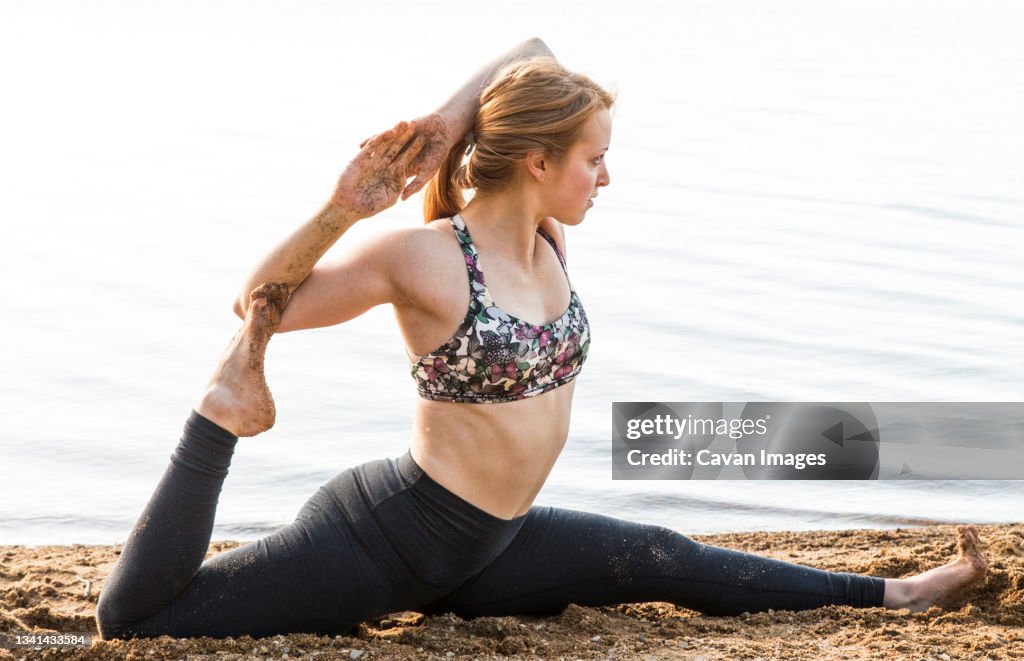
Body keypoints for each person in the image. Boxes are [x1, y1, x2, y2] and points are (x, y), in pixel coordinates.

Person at [95, 38, 987, 640]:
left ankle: (896, 592)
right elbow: (261, 301)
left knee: (669, 559)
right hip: (392, 537)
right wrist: (341, 209)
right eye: (594, 158)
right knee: (137, 622)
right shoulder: (423, 258)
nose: (606, 175)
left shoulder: (547, 238)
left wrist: (445, 122)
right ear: (539, 162)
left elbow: (531, 50)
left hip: (497, 541)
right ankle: (212, 418)